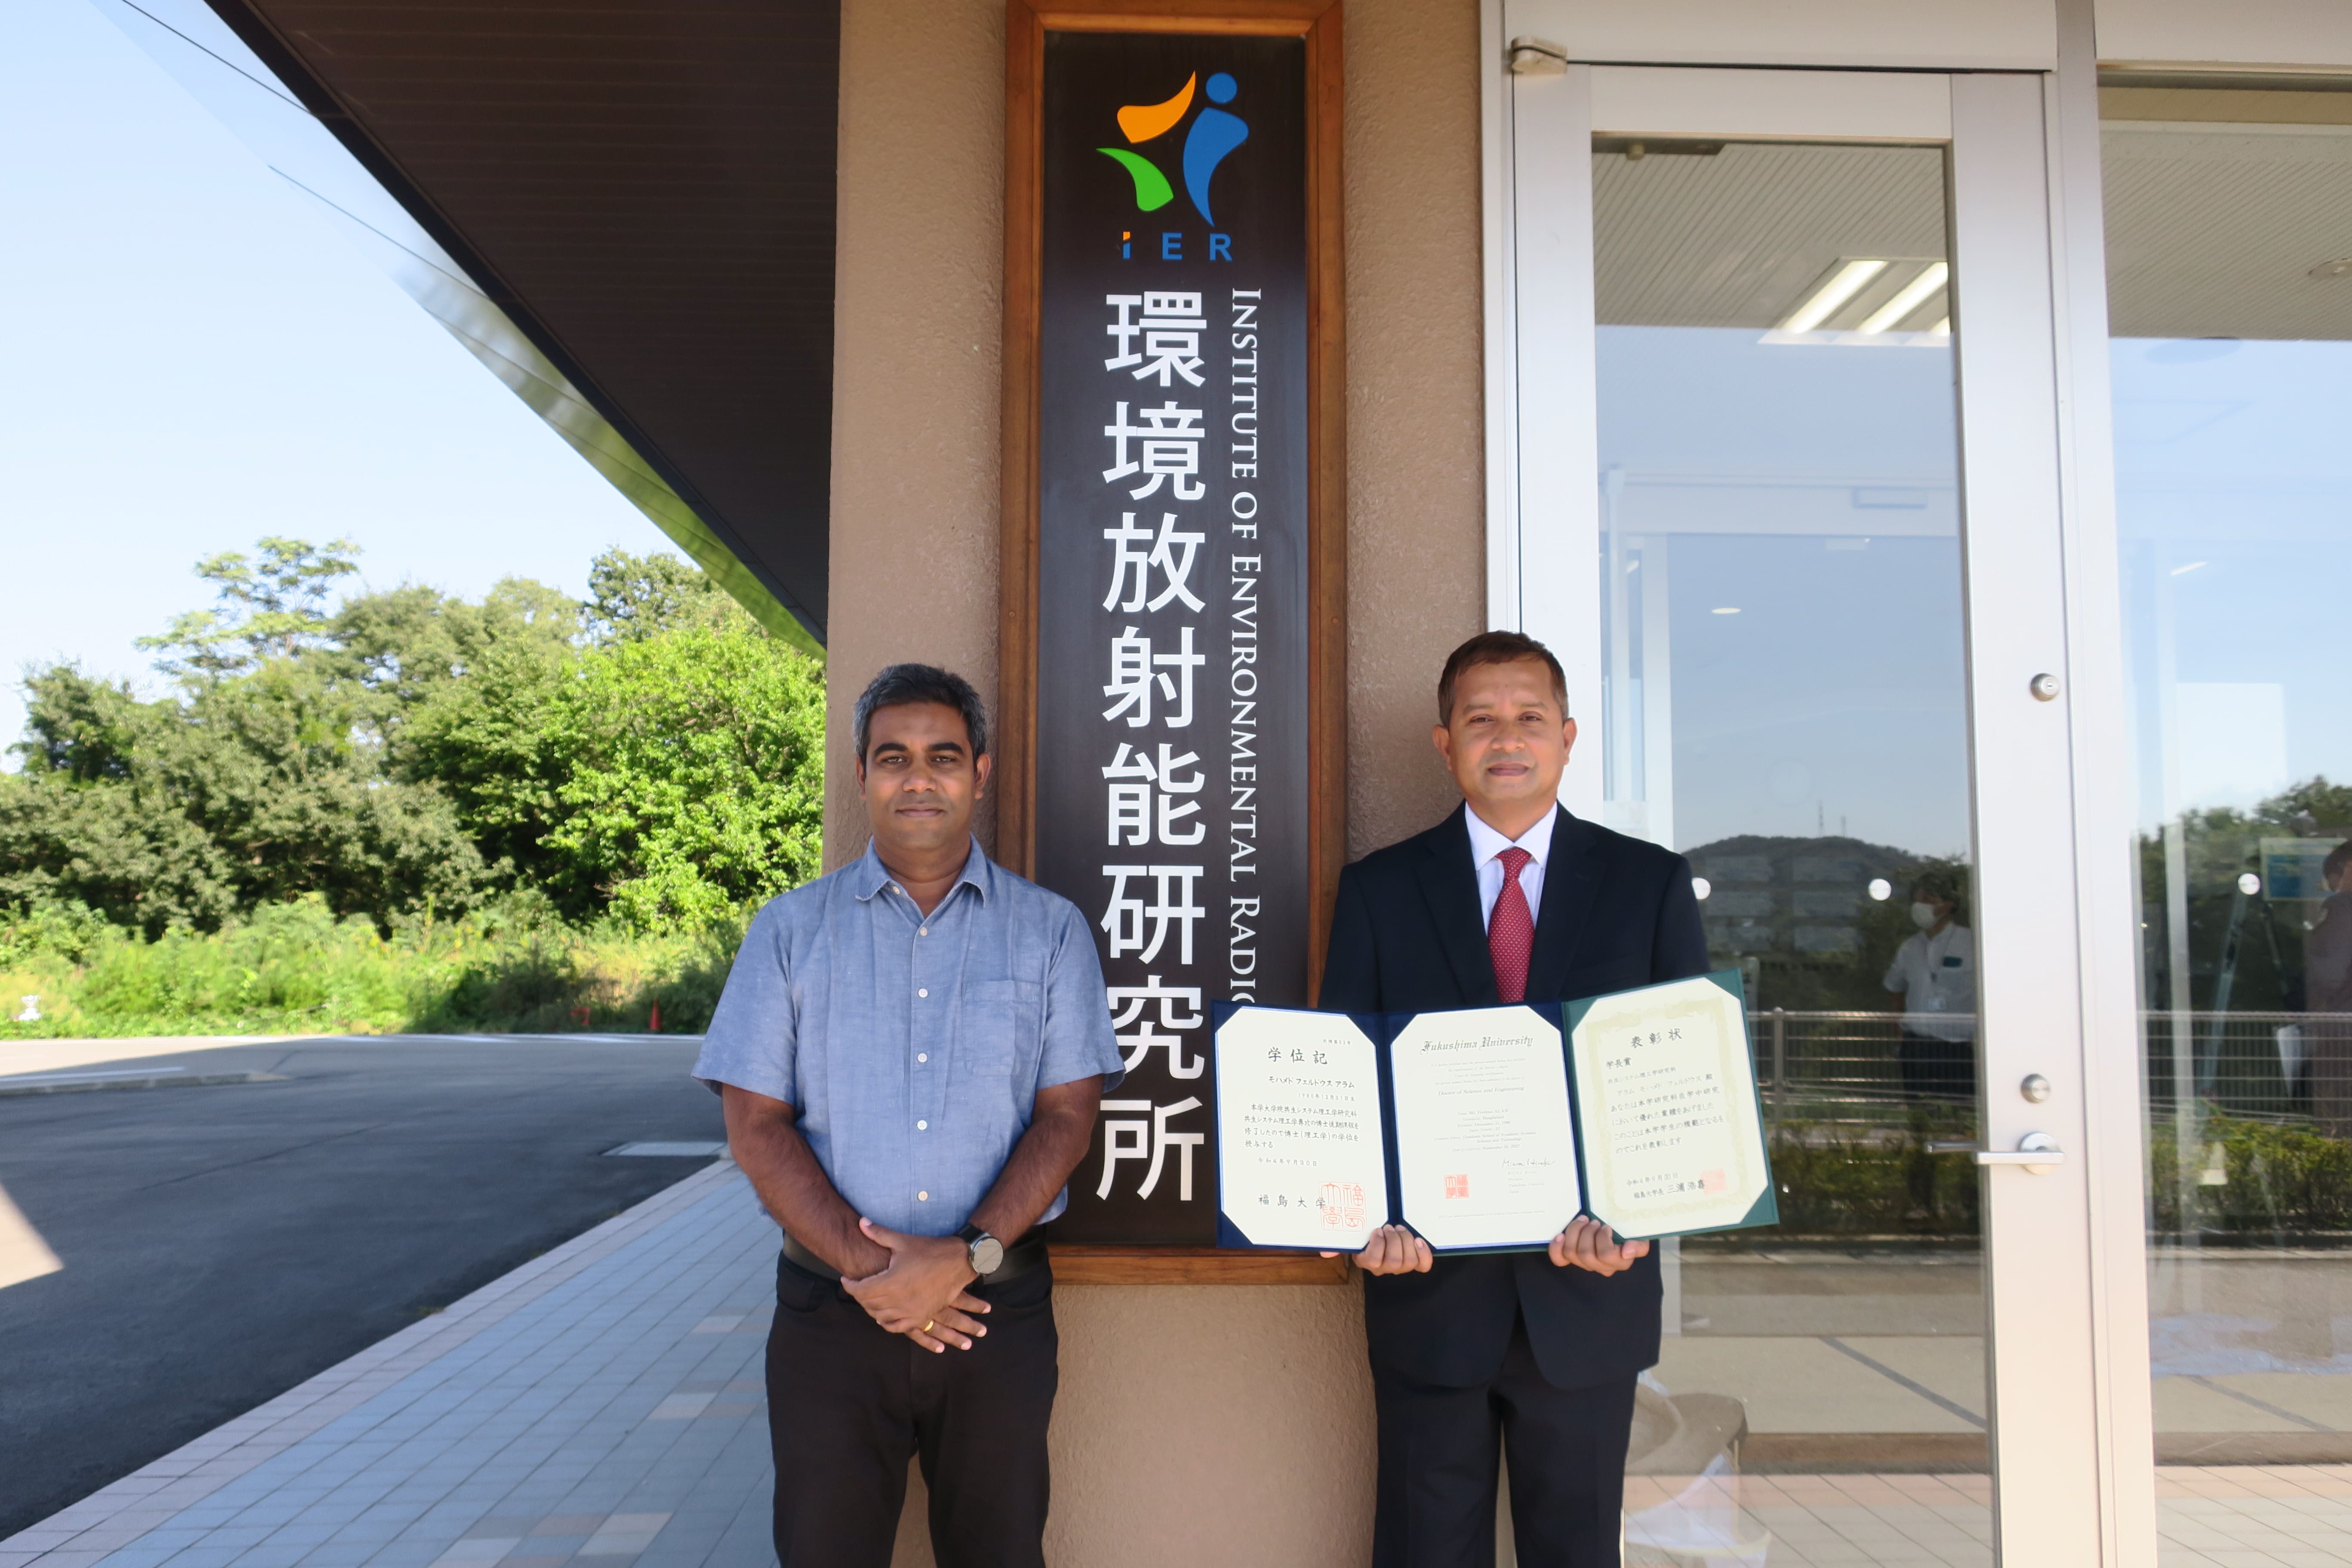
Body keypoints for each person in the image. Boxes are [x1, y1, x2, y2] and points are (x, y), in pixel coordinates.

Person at [692, 664, 1122, 1568]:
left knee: (1001, 1552)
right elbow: (755, 1124)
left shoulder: (1049, 931)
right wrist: (881, 1274)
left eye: (943, 757)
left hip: (996, 1314)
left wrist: (959, 1262)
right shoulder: (789, 930)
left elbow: (1068, 1118)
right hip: (831, 1317)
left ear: (981, 772)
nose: (918, 779)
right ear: (860, 776)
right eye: (893, 758)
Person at [1318, 630, 1708, 1568]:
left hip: (1589, 1289)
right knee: (1423, 1551)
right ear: (1445, 744)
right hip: (1428, 1290)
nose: (1507, 737)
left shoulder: (1648, 884)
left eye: (1529, 718)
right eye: (1480, 719)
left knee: (1575, 1552)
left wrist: (1643, 1219)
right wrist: (1361, 1215)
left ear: (1568, 737)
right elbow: (1343, 1081)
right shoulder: (1378, 890)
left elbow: (1684, 1083)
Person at [1882, 869, 1977, 1104]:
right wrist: (1900, 1036)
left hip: (1959, 1050)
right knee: (1919, 1116)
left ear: (1949, 904)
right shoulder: (1909, 948)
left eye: (1928, 899)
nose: (1920, 905)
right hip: (1916, 1047)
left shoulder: (1972, 944)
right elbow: (1895, 990)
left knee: (1958, 1117)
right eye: (1917, 899)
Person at [2302, 841, 2352, 1133]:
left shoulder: (2343, 907)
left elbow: (2328, 976)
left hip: (2343, 1039)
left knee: (2339, 1130)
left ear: (2346, 869)